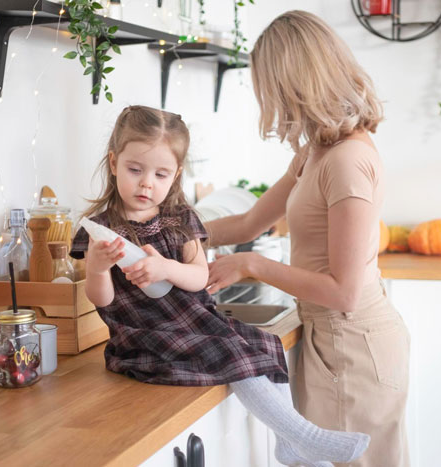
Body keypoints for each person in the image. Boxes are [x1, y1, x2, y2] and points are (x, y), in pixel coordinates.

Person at [70, 105, 369, 466]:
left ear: (176, 175)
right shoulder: (101, 231)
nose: (147, 183)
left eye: (161, 174)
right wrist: (99, 269)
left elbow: (199, 277)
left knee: (265, 344)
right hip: (145, 337)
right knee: (232, 353)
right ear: (114, 162)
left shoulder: (180, 220)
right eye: (135, 170)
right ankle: (305, 437)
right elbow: (101, 300)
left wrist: (166, 268)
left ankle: (290, 441)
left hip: (195, 322)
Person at [205, 11, 410, 467]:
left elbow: (344, 292)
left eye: (270, 89)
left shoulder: (347, 161)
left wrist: (251, 265)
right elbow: (247, 224)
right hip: (332, 339)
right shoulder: (317, 151)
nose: (271, 104)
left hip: (353, 348)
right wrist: (170, 228)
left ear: (295, 83)